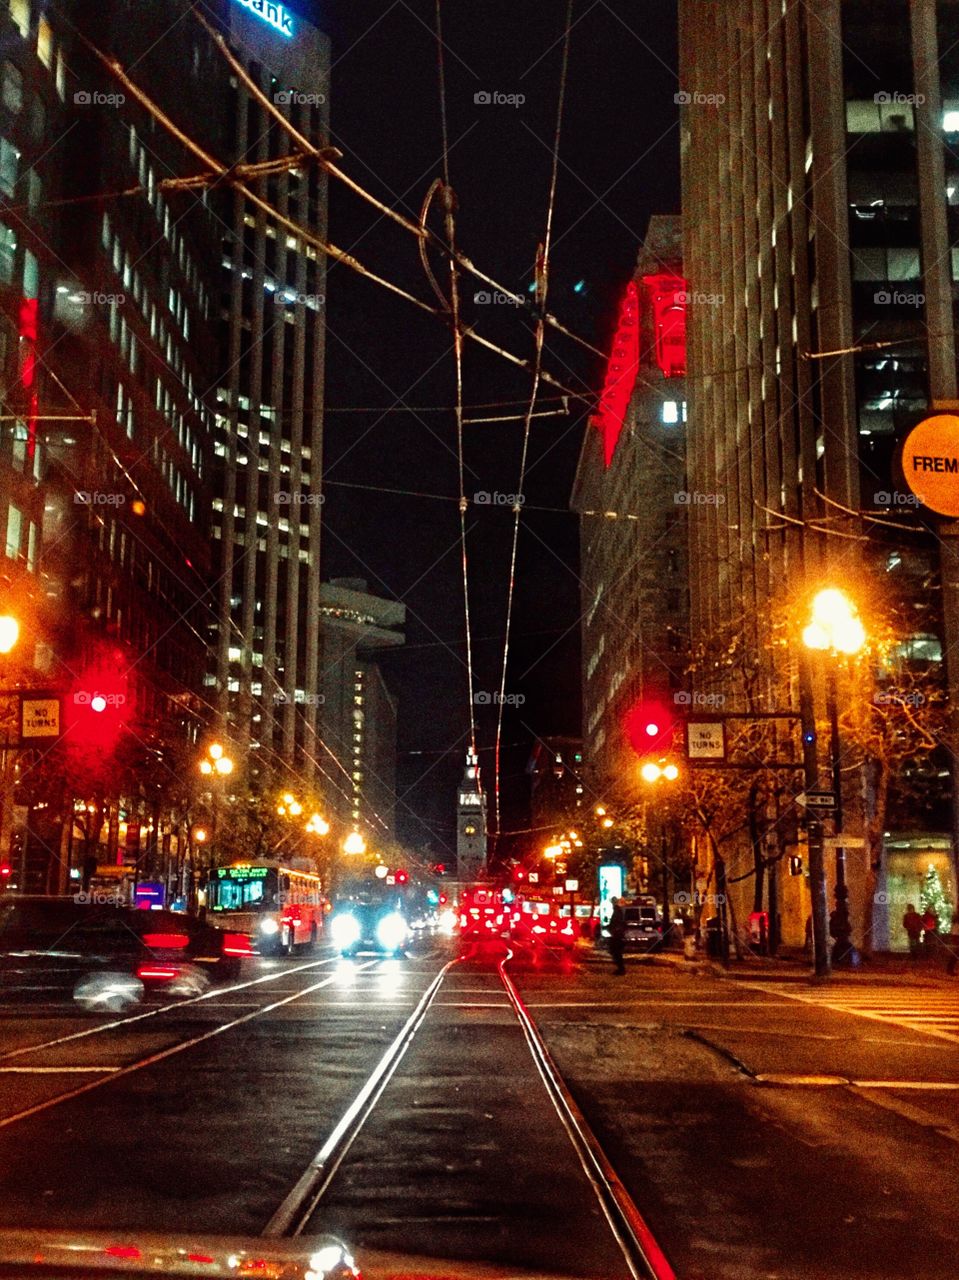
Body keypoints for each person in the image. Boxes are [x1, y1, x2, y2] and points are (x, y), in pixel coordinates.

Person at [608, 896, 626, 975]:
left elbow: (616, 923)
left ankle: (621, 969)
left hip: (617, 935)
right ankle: (620, 968)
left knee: (616, 952)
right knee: (616, 952)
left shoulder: (617, 911)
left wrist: (611, 928)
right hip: (618, 934)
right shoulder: (618, 911)